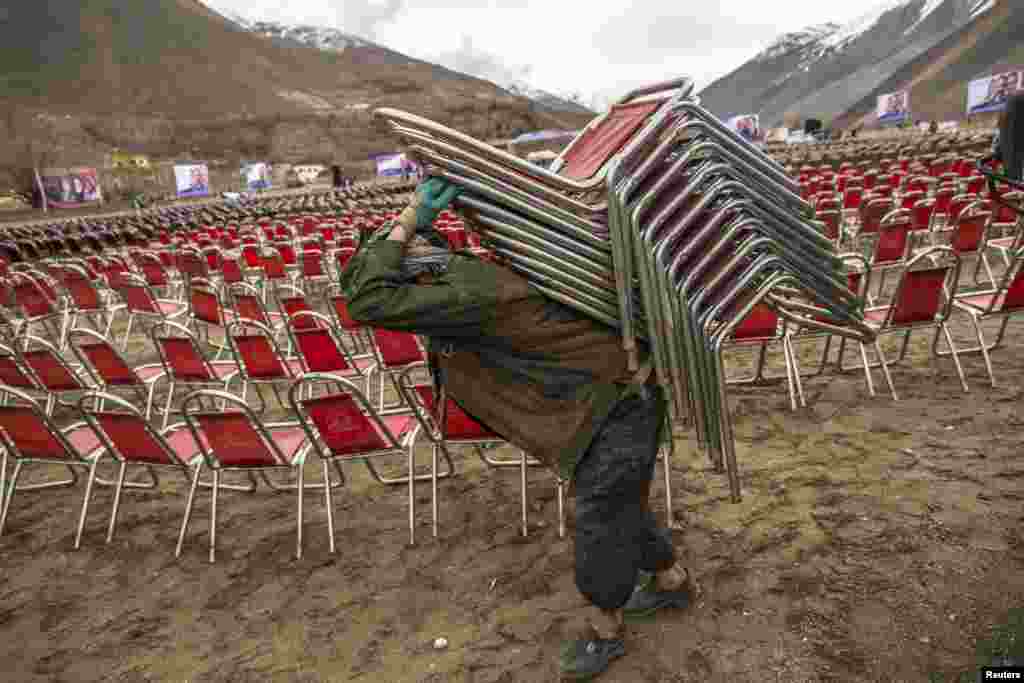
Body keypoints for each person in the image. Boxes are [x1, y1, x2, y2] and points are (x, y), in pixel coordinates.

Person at [339, 178, 697, 681]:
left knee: (599, 512)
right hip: (600, 396)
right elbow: (362, 284)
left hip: (616, 399)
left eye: (400, 257)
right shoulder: (452, 276)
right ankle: (670, 580)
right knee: (617, 501)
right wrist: (406, 230)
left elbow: (365, 300)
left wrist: (404, 222)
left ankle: (604, 628)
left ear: (419, 264)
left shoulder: (464, 292)